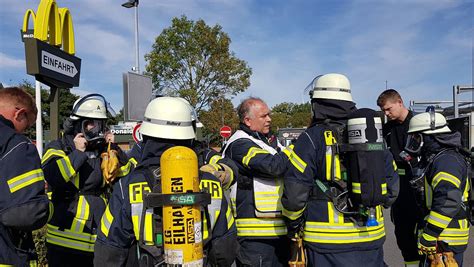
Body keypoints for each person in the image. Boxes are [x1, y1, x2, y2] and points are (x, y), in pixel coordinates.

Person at [94, 97, 237, 266]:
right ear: (190, 136)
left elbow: (109, 250)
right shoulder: (211, 184)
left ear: (145, 136)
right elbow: (225, 249)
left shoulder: (128, 186)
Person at [281, 73, 399, 266]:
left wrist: (293, 225)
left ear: (317, 103)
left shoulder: (311, 138)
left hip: (327, 242)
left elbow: (295, 194)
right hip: (371, 236)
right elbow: (393, 188)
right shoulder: (372, 135)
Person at [41, 94, 130, 266]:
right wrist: (77, 153)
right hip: (65, 240)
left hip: (99, 239)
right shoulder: (58, 147)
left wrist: (115, 149)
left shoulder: (104, 151)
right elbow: (53, 176)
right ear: (77, 124)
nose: (96, 129)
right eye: (90, 123)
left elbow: (127, 177)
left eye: (100, 124)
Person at [221, 97, 293, 267]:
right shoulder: (239, 144)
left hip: (277, 232)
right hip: (255, 236)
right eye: (264, 116)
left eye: (269, 115)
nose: (269, 119)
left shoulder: (264, 143)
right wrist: (295, 149)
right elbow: (273, 166)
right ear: (248, 120)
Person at [404, 111, 470, 266]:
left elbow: (448, 200)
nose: (413, 142)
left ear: (427, 136)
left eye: (416, 137)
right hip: (442, 240)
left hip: (443, 241)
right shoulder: (441, 157)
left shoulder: (446, 161)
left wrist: (430, 233)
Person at [0, 87, 50, 266]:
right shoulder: (16, 144)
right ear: (19, 114)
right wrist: (47, 206)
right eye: (27, 126)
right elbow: (24, 213)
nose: (24, 132)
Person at [377, 89, 421, 266]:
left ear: (400, 102)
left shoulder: (418, 123)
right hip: (398, 190)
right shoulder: (387, 129)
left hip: (419, 189)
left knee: (425, 237)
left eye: (388, 109)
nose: (386, 114)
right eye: (384, 111)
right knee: (403, 236)